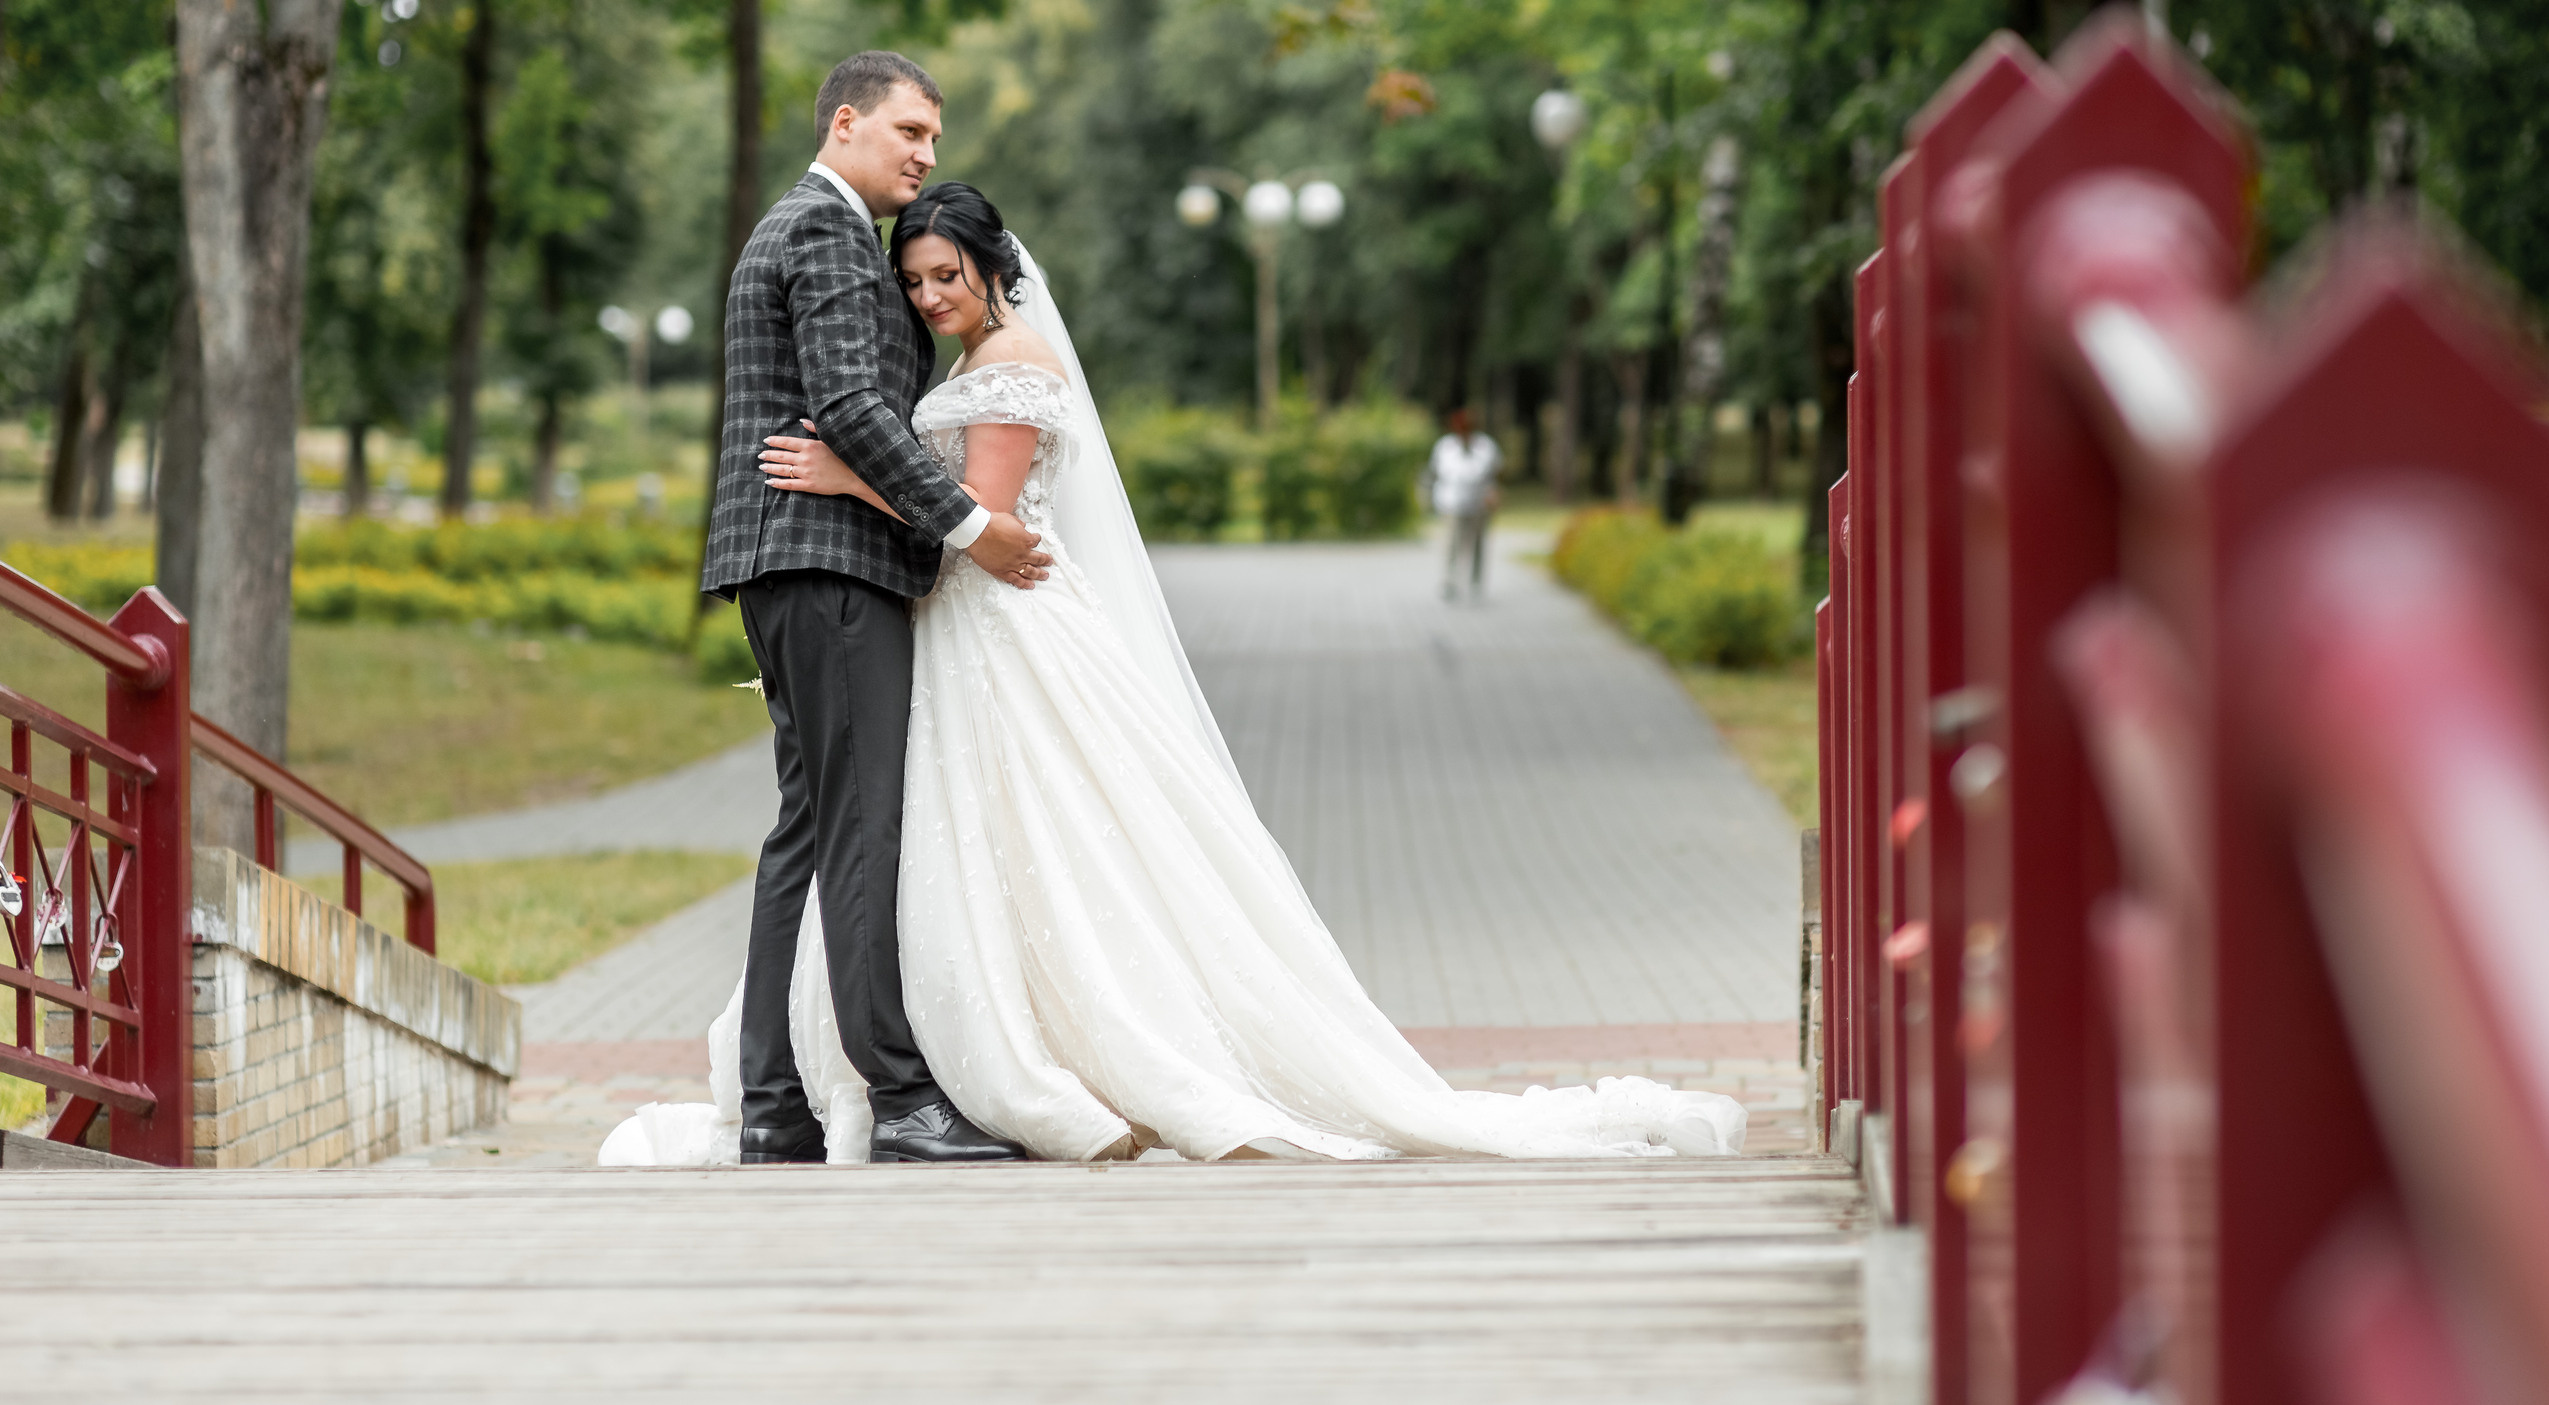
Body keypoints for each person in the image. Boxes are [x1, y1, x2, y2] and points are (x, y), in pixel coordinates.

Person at [605, 170, 1747, 1167]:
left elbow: (983, 519)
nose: (928, 296)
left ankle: (1039, 1058)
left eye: (945, 273)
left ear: (995, 267)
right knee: (964, 848)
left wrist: (847, 479)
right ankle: (943, 1059)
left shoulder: (1011, 364)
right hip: (958, 629)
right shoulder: (971, 357)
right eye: (913, 282)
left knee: (1027, 836)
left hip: (1001, 630)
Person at [693, 51, 1047, 1167]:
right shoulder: (829, 231)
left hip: (797, 566)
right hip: (830, 566)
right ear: (845, 121)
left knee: (808, 824)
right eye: (909, 131)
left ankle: (774, 1105)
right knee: (856, 827)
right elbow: (849, 402)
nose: (925, 154)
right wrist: (971, 526)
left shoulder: (798, 224)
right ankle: (899, 1097)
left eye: (934, 139)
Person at [1424, 407, 1502, 602]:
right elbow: (1434, 473)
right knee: (1452, 543)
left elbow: (1495, 473)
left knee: (1477, 544)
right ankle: (1450, 581)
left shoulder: (1486, 446)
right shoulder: (1445, 447)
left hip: (1479, 503)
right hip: (1452, 503)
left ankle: (1475, 583)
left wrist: (1493, 494)